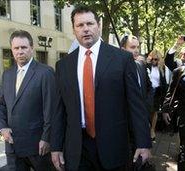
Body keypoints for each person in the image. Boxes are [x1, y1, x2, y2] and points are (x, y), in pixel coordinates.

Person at [51, 6, 151, 171]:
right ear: (74, 30)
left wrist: (143, 142)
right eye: (80, 25)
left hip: (114, 145)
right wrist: (55, 146)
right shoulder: (63, 65)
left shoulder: (122, 59)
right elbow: (59, 110)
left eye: (90, 23)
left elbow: (136, 104)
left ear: (99, 25)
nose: (86, 29)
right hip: (77, 148)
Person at [0, 30, 55, 171]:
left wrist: (46, 138)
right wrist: (2, 127)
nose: (20, 52)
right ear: (12, 49)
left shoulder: (45, 73)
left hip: (38, 146)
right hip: (12, 145)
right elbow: (0, 104)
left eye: (24, 47)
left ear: (32, 48)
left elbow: (51, 109)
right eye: (16, 48)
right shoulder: (7, 74)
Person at [146, 50, 167, 140]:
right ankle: (145, 129)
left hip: (157, 92)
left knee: (154, 112)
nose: (154, 61)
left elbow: (164, 82)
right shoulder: (146, 66)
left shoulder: (162, 68)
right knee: (146, 111)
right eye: (152, 59)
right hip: (147, 92)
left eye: (156, 59)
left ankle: (152, 130)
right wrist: (147, 63)